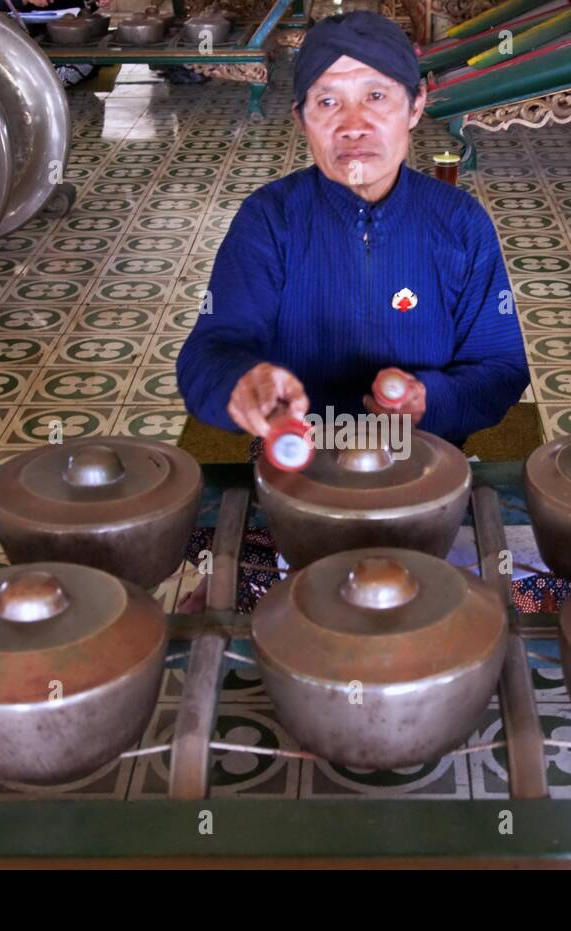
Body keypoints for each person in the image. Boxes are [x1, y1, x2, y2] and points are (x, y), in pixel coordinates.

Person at [173, 11, 533, 613]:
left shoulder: (460, 225)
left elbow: (501, 366)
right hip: (297, 475)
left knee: (530, 591)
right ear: (302, 120)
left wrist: (430, 400)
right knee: (228, 599)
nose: (354, 125)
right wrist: (242, 384)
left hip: (427, 476)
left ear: (415, 106)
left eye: (375, 96)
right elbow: (209, 351)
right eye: (327, 102)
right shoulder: (269, 220)